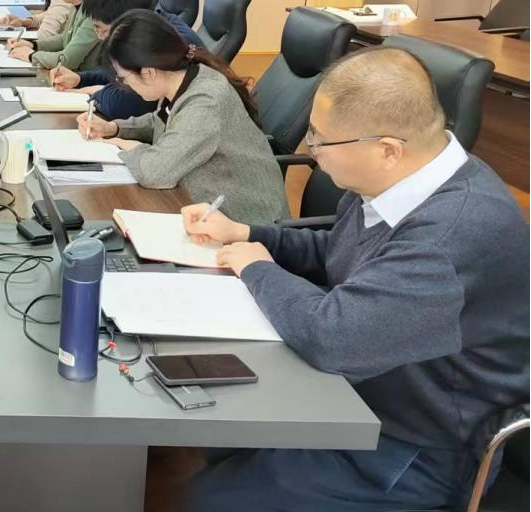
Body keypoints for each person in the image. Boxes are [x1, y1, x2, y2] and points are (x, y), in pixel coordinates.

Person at [181, 47, 530, 512]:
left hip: (423, 447)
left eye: (322, 140)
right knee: (220, 432)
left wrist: (257, 267)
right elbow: (342, 252)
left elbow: (334, 337)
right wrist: (248, 235)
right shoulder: (405, 181)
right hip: (370, 390)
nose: (310, 149)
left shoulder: (448, 236)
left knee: (212, 498)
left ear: (387, 150)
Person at [78, 9, 287, 224]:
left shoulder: (205, 100)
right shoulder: (181, 79)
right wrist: (114, 128)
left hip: (246, 222)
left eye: (123, 78)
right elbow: (163, 122)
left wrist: (125, 145)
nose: (124, 84)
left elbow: (155, 172)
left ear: (149, 72)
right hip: (204, 207)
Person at [49, 0, 204, 119]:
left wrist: (96, 92)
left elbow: (124, 105)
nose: (100, 37)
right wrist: (81, 79)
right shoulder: (148, 28)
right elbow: (121, 73)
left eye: (101, 30)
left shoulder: (163, 45)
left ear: (124, 24)